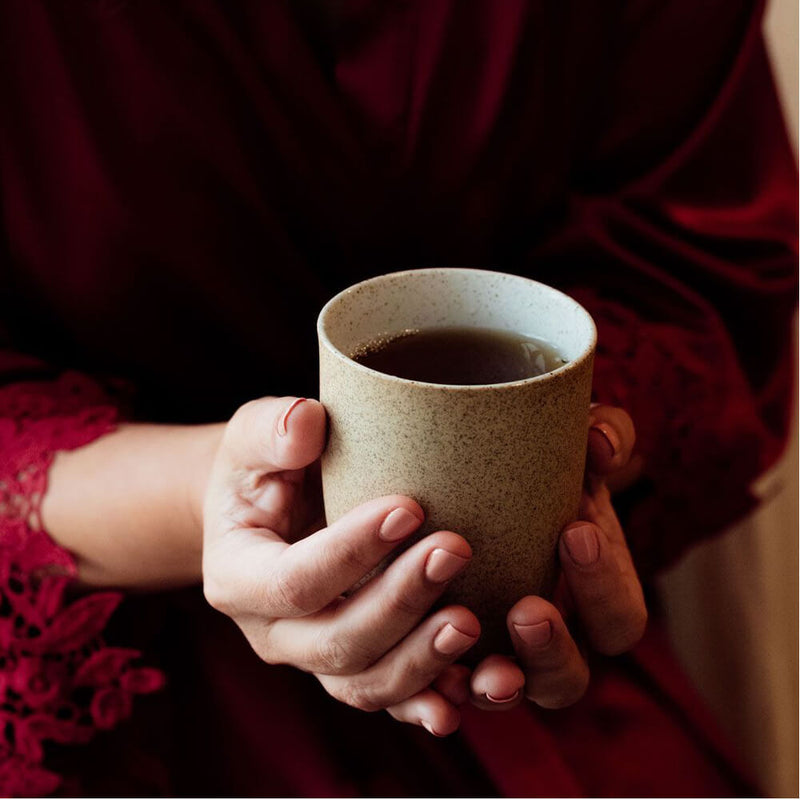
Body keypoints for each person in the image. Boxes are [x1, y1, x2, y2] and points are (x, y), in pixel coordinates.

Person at [0, 0, 796, 796]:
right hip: (113, 641)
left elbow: (709, 256)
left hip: (519, 605)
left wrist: (545, 470)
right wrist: (225, 494)